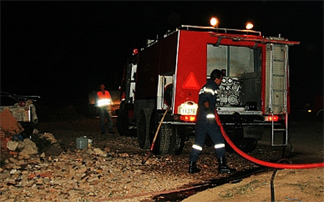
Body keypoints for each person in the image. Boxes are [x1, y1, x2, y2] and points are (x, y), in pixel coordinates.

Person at [188, 69, 236, 174]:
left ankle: (192, 165)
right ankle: (222, 165)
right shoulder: (211, 87)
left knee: (198, 143)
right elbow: (206, 100)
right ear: (216, 79)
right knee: (219, 141)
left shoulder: (205, 86)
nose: (221, 81)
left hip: (200, 118)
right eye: (221, 79)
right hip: (207, 118)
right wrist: (210, 114)